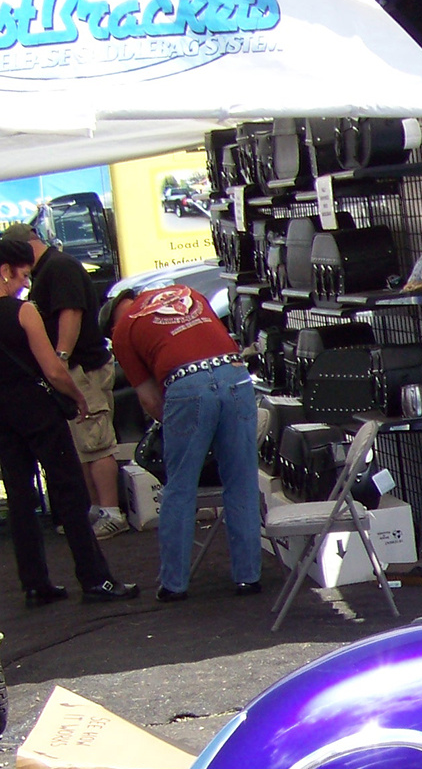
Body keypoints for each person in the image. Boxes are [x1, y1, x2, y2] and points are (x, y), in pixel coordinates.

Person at [0, 236, 137, 606]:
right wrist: (77, 397)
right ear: (5, 271)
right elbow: (54, 369)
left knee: (20, 500)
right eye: (22, 275)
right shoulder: (23, 312)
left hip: (4, 418)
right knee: (69, 491)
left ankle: (35, 583)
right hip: (39, 413)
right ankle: (94, 578)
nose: (25, 282)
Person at [107, 284, 261, 601]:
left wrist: (179, 426)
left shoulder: (123, 331)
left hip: (186, 384)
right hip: (235, 373)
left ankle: (175, 584)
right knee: (241, 481)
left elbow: (149, 399)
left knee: (180, 487)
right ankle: (248, 577)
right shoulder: (185, 291)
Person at [5, 222, 124, 538]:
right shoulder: (51, 268)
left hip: (82, 367)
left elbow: (70, 313)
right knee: (83, 443)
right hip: (74, 367)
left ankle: (111, 510)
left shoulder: (58, 267)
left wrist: (59, 358)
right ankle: (97, 508)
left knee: (96, 439)